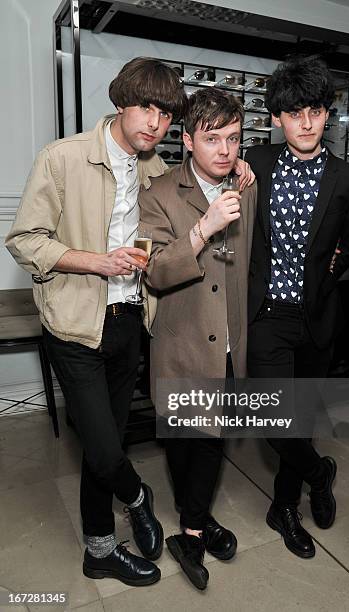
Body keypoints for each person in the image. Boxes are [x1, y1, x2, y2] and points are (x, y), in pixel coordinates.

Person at [5, 57, 189, 587]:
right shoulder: (63, 159)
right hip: (73, 322)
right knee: (106, 447)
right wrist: (96, 260)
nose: (155, 123)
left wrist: (242, 167)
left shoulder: (157, 170)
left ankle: (100, 549)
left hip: (129, 320)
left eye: (166, 115)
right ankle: (137, 495)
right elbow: (25, 240)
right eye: (146, 108)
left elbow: (204, 176)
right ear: (120, 102)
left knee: (104, 443)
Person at [246, 55, 349, 559]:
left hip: (316, 317)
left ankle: (284, 508)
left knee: (299, 421)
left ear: (327, 115)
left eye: (315, 111)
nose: (305, 122)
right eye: (294, 112)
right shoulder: (253, 163)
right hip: (265, 316)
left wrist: (323, 279)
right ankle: (321, 474)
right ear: (277, 116)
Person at [139, 88, 257, 590]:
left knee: (212, 439)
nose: (225, 151)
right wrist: (202, 229)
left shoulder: (246, 185)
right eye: (212, 140)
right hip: (182, 343)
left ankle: (192, 526)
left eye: (233, 139)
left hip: (229, 343)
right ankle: (196, 517)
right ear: (187, 140)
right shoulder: (160, 193)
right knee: (183, 439)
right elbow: (154, 273)